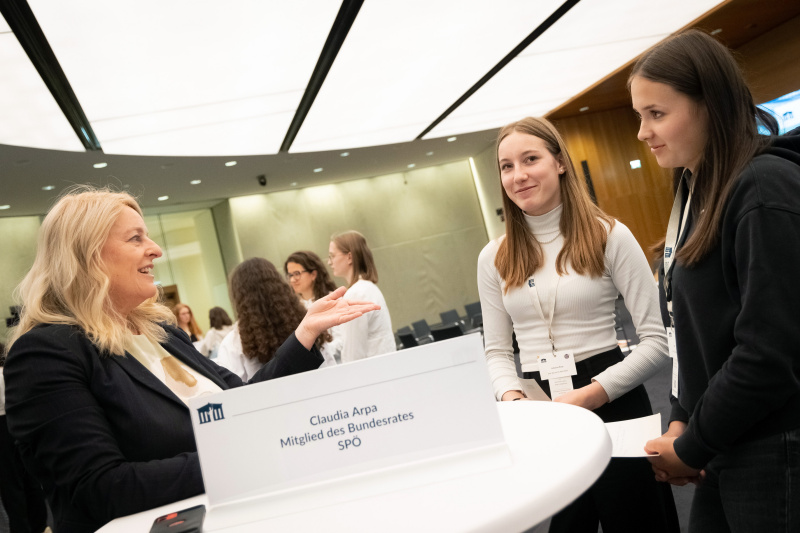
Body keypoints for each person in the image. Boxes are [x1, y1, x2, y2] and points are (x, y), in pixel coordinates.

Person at [2, 187, 380, 533]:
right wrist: (241, 457)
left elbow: (243, 403)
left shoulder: (162, 334)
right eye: (136, 238)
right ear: (87, 257)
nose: (155, 249)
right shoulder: (45, 353)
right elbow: (102, 487)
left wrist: (303, 336)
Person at [630, 29, 800, 532]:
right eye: (640, 116)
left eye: (656, 114)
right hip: (725, 440)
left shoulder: (763, 188)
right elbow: (696, 334)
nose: (642, 132)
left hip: (774, 446)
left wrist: (691, 444)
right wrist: (682, 417)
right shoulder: (698, 192)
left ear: (711, 106)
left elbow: (769, 353)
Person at [477, 116, 678, 532]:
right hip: (541, 406)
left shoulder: (610, 235)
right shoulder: (493, 256)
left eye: (530, 159)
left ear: (560, 163)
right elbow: (497, 351)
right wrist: (514, 401)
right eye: (507, 166)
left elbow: (657, 342)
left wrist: (588, 397)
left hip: (612, 395)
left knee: (637, 521)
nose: (518, 175)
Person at [217, 257, 335, 378]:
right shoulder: (307, 324)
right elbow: (331, 370)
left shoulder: (233, 343)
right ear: (279, 286)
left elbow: (234, 390)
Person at [0, 344, 48, 533]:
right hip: (21, 423)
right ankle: (41, 525)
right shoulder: (12, 371)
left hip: (2, 430)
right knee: (30, 477)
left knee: (10, 484)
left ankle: (21, 528)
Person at [328, 231, 395, 363]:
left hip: (372, 373)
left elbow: (353, 354)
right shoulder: (367, 288)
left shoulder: (356, 293)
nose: (330, 262)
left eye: (332, 256)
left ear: (349, 257)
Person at [285, 250, 343, 362]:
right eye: (290, 275)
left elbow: (342, 340)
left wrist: (317, 352)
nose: (292, 280)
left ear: (313, 274)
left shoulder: (333, 300)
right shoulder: (292, 309)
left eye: (297, 274)